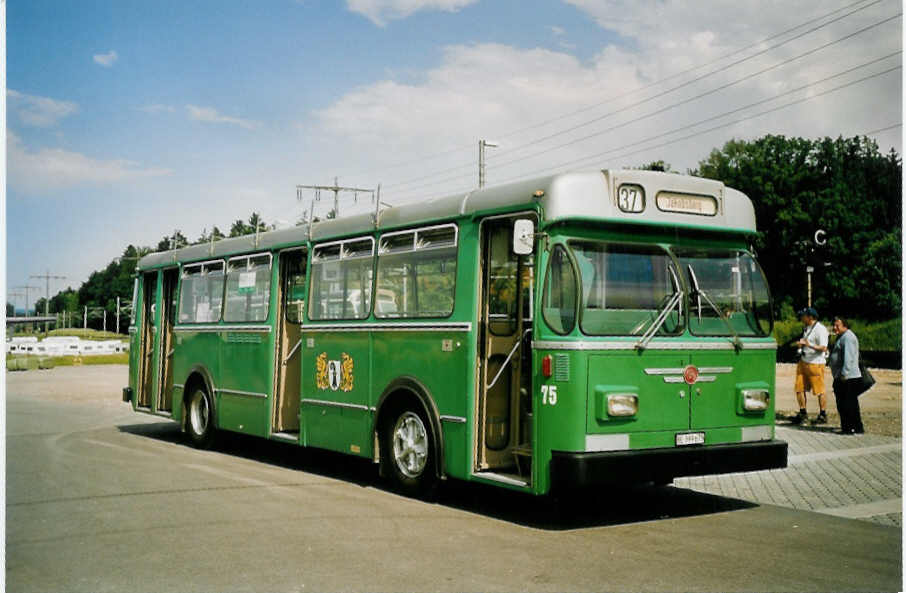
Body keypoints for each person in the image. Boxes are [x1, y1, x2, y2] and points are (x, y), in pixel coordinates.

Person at [791, 307, 829, 425]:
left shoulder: (820, 329)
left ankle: (823, 414)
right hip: (804, 361)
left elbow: (823, 347)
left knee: (819, 390)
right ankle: (803, 412)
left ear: (810, 317)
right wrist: (801, 346)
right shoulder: (807, 328)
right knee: (799, 388)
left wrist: (809, 344)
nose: (801, 318)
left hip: (816, 363)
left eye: (803, 316)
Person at [829, 316, 864, 434]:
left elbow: (848, 357)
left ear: (845, 325)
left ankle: (848, 428)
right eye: (834, 325)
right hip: (845, 376)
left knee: (846, 404)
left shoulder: (847, 337)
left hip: (847, 377)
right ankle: (856, 427)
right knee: (851, 403)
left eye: (837, 325)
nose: (835, 328)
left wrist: (844, 374)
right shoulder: (843, 336)